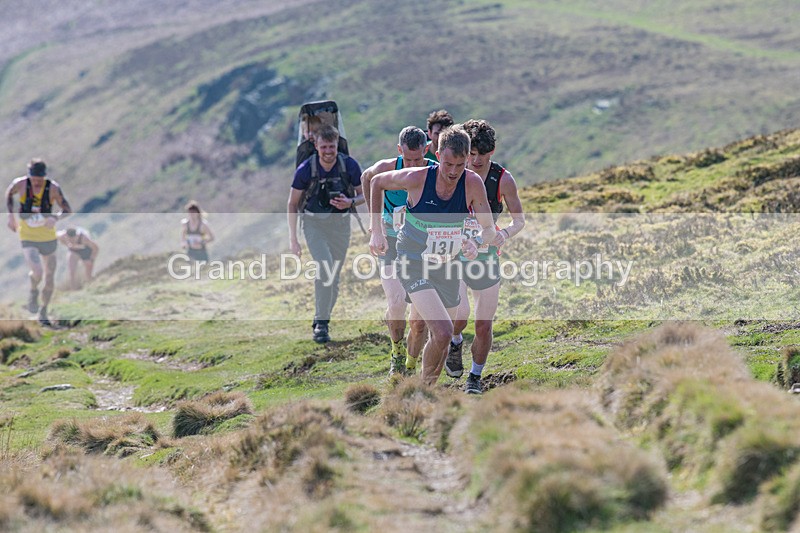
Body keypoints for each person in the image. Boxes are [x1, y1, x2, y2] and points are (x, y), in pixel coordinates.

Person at [369, 126, 496, 386]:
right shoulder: (417, 178)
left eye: (460, 165)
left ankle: (424, 389)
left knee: (443, 340)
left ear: (467, 159)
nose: (453, 172)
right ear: (437, 156)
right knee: (443, 330)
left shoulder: (472, 183)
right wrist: (377, 231)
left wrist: (475, 242)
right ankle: (419, 392)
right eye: (448, 164)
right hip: (413, 260)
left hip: (447, 264)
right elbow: (376, 182)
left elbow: (489, 228)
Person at [445, 119, 526, 394]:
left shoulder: (503, 179)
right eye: (472, 154)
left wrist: (505, 233)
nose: (476, 160)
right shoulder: (454, 173)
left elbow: (519, 220)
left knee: (483, 324)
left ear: (492, 152)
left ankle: (475, 377)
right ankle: (455, 341)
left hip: (487, 255)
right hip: (455, 254)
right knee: (460, 314)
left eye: (483, 154)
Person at [361, 126, 434, 376]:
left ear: (426, 150)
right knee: (396, 301)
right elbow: (366, 178)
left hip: (421, 245)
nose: (412, 166)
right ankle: (397, 353)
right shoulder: (386, 168)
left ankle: (410, 367)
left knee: (418, 318)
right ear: (399, 150)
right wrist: (376, 225)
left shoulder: (435, 169)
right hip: (391, 240)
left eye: (418, 159)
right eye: (408, 159)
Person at [288, 123, 364, 343]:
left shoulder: (349, 166)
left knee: (334, 277)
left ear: (337, 144)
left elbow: (365, 194)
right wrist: (293, 239)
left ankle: (321, 318)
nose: (328, 151)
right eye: (324, 147)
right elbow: (292, 203)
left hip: (340, 226)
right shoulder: (306, 169)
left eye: (332, 147)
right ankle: (322, 324)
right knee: (325, 268)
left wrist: (350, 202)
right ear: (316, 145)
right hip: (314, 224)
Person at [5, 158, 73, 325]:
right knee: (37, 272)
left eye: (39, 179)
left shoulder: (53, 188)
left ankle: (43, 311)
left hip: (48, 236)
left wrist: (55, 218)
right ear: (29, 176)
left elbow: (67, 209)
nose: (36, 182)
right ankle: (33, 290)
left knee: (49, 277)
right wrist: (10, 216)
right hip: (28, 235)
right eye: (34, 179)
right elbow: (9, 194)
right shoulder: (20, 184)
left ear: (44, 176)